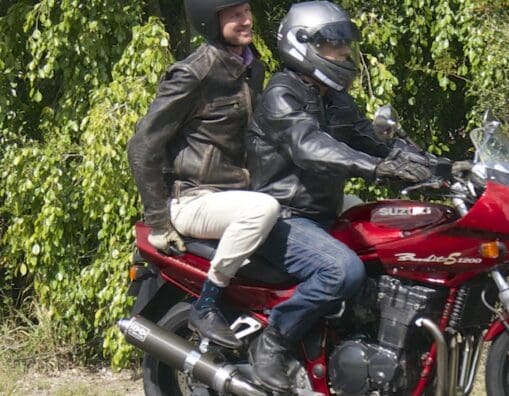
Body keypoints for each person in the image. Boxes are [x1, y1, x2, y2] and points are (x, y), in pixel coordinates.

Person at [244, 1, 442, 392]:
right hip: (282, 217)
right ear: (303, 44)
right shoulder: (280, 95)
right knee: (342, 271)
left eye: (345, 44)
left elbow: (375, 143)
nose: (345, 52)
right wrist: (374, 168)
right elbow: (310, 145)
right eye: (334, 44)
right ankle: (273, 342)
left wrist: (445, 168)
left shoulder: (337, 99)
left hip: (323, 216)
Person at [126, 0, 279, 350]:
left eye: (247, 11)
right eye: (235, 14)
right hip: (196, 197)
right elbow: (143, 145)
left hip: (238, 195)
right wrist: (159, 222)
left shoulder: (252, 68)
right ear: (211, 22)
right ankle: (207, 303)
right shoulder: (194, 72)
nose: (247, 20)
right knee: (263, 209)